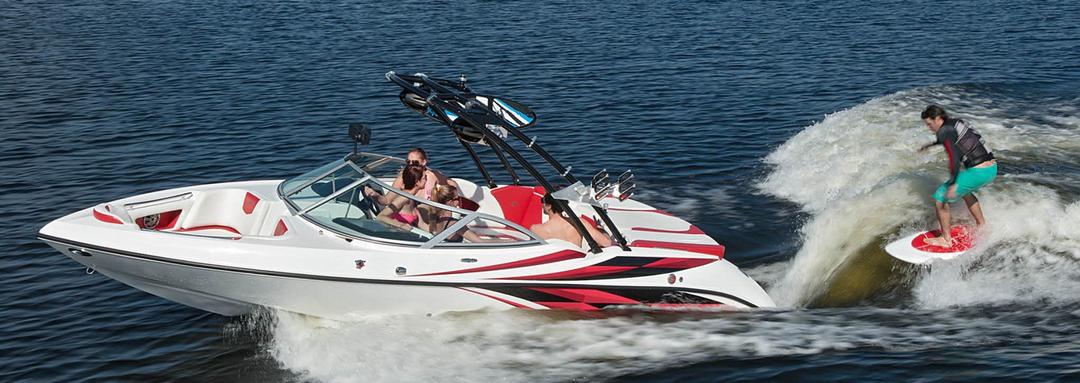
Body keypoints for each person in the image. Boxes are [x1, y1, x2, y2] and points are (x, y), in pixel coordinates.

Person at [917, 105, 998, 247]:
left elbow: (954, 159)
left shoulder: (944, 132)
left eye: (929, 124)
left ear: (937, 119)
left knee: (940, 197)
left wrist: (953, 183)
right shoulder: (955, 122)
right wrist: (930, 145)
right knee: (966, 193)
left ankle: (946, 240)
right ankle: (982, 225)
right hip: (991, 169)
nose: (929, 128)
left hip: (978, 172)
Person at [424, 184, 502, 243]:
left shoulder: (435, 218)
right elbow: (480, 242)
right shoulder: (454, 224)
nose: (460, 201)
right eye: (457, 198)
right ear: (450, 202)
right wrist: (510, 242)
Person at [530, 194, 613, 248]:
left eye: (543, 202)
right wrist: (601, 228)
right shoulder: (579, 223)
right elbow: (606, 243)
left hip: (554, 268)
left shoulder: (536, 229)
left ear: (548, 206)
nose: (542, 205)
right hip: (576, 265)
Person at [392, 148, 459, 200]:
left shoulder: (432, 175)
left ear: (424, 162)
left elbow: (451, 183)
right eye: (408, 162)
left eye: (415, 162)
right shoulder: (403, 176)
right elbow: (389, 197)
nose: (411, 165)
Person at [376, 165, 427, 231]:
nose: (426, 180)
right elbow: (380, 217)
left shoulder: (412, 198)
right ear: (417, 182)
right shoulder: (404, 198)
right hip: (395, 235)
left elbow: (421, 224)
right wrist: (401, 225)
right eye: (424, 178)